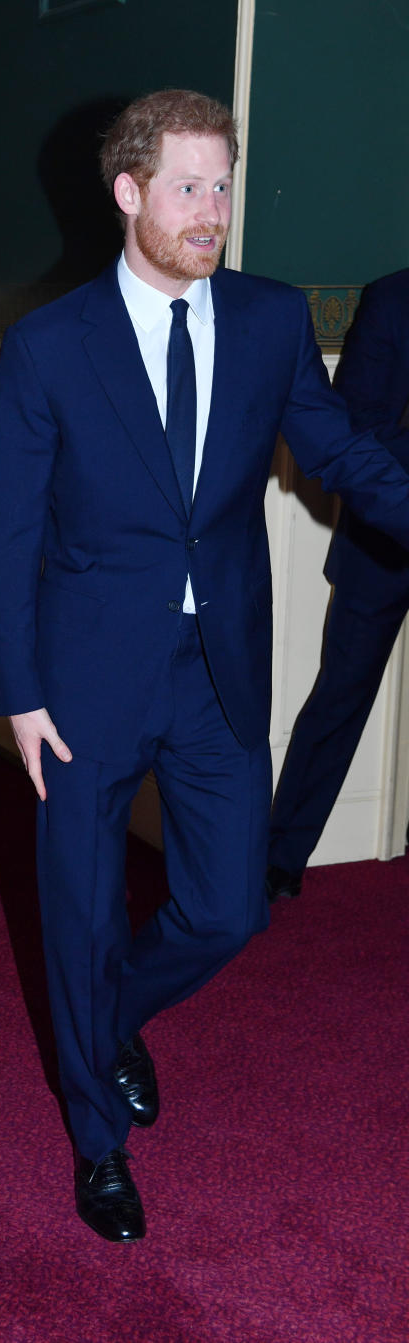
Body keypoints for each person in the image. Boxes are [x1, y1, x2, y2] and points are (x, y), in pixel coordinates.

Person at [0, 90, 409, 1244]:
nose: (212, 211)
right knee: (75, 909)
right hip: (80, 676)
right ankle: (96, 1142)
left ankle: (108, 1017)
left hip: (218, 662)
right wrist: (15, 687)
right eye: (188, 187)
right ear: (129, 193)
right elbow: (7, 529)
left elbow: (339, 453)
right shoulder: (49, 343)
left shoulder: (269, 322)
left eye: (223, 186)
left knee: (229, 911)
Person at [267, 269, 409, 899]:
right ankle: (280, 858)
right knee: (340, 697)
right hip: (382, 541)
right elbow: (352, 425)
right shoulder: (392, 298)